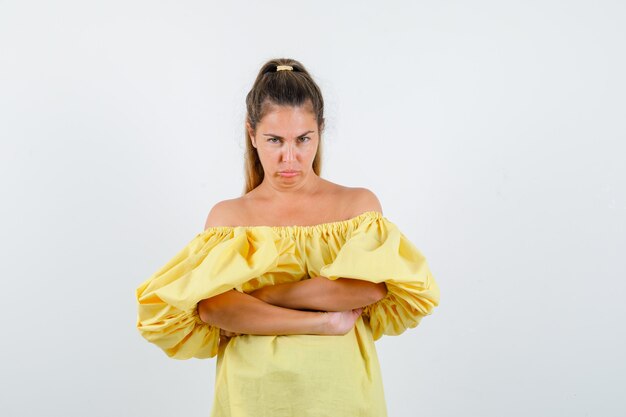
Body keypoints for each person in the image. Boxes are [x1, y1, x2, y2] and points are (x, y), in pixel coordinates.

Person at [135, 58, 441, 417]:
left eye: (303, 139)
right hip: (254, 399)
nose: (289, 157)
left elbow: (367, 289)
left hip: (341, 398)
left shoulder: (356, 205)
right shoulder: (229, 218)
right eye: (274, 140)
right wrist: (322, 321)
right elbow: (215, 308)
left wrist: (258, 296)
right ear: (252, 134)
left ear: (320, 132)